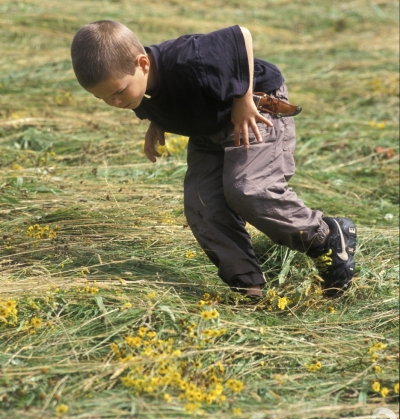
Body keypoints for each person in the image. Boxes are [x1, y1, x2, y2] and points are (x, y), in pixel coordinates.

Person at [70, 20, 356, 300]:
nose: (115, 103)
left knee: (248, 189)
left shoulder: (188, 58)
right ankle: (247, 287)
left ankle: (326, 238)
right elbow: (156, 96)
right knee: (201, 205)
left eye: (118, 93)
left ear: (142, 64)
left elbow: (240, 36)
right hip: (208, 131)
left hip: (253, 114)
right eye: (103, 98)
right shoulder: (135, 84)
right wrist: (155, 122)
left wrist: (242, 99)